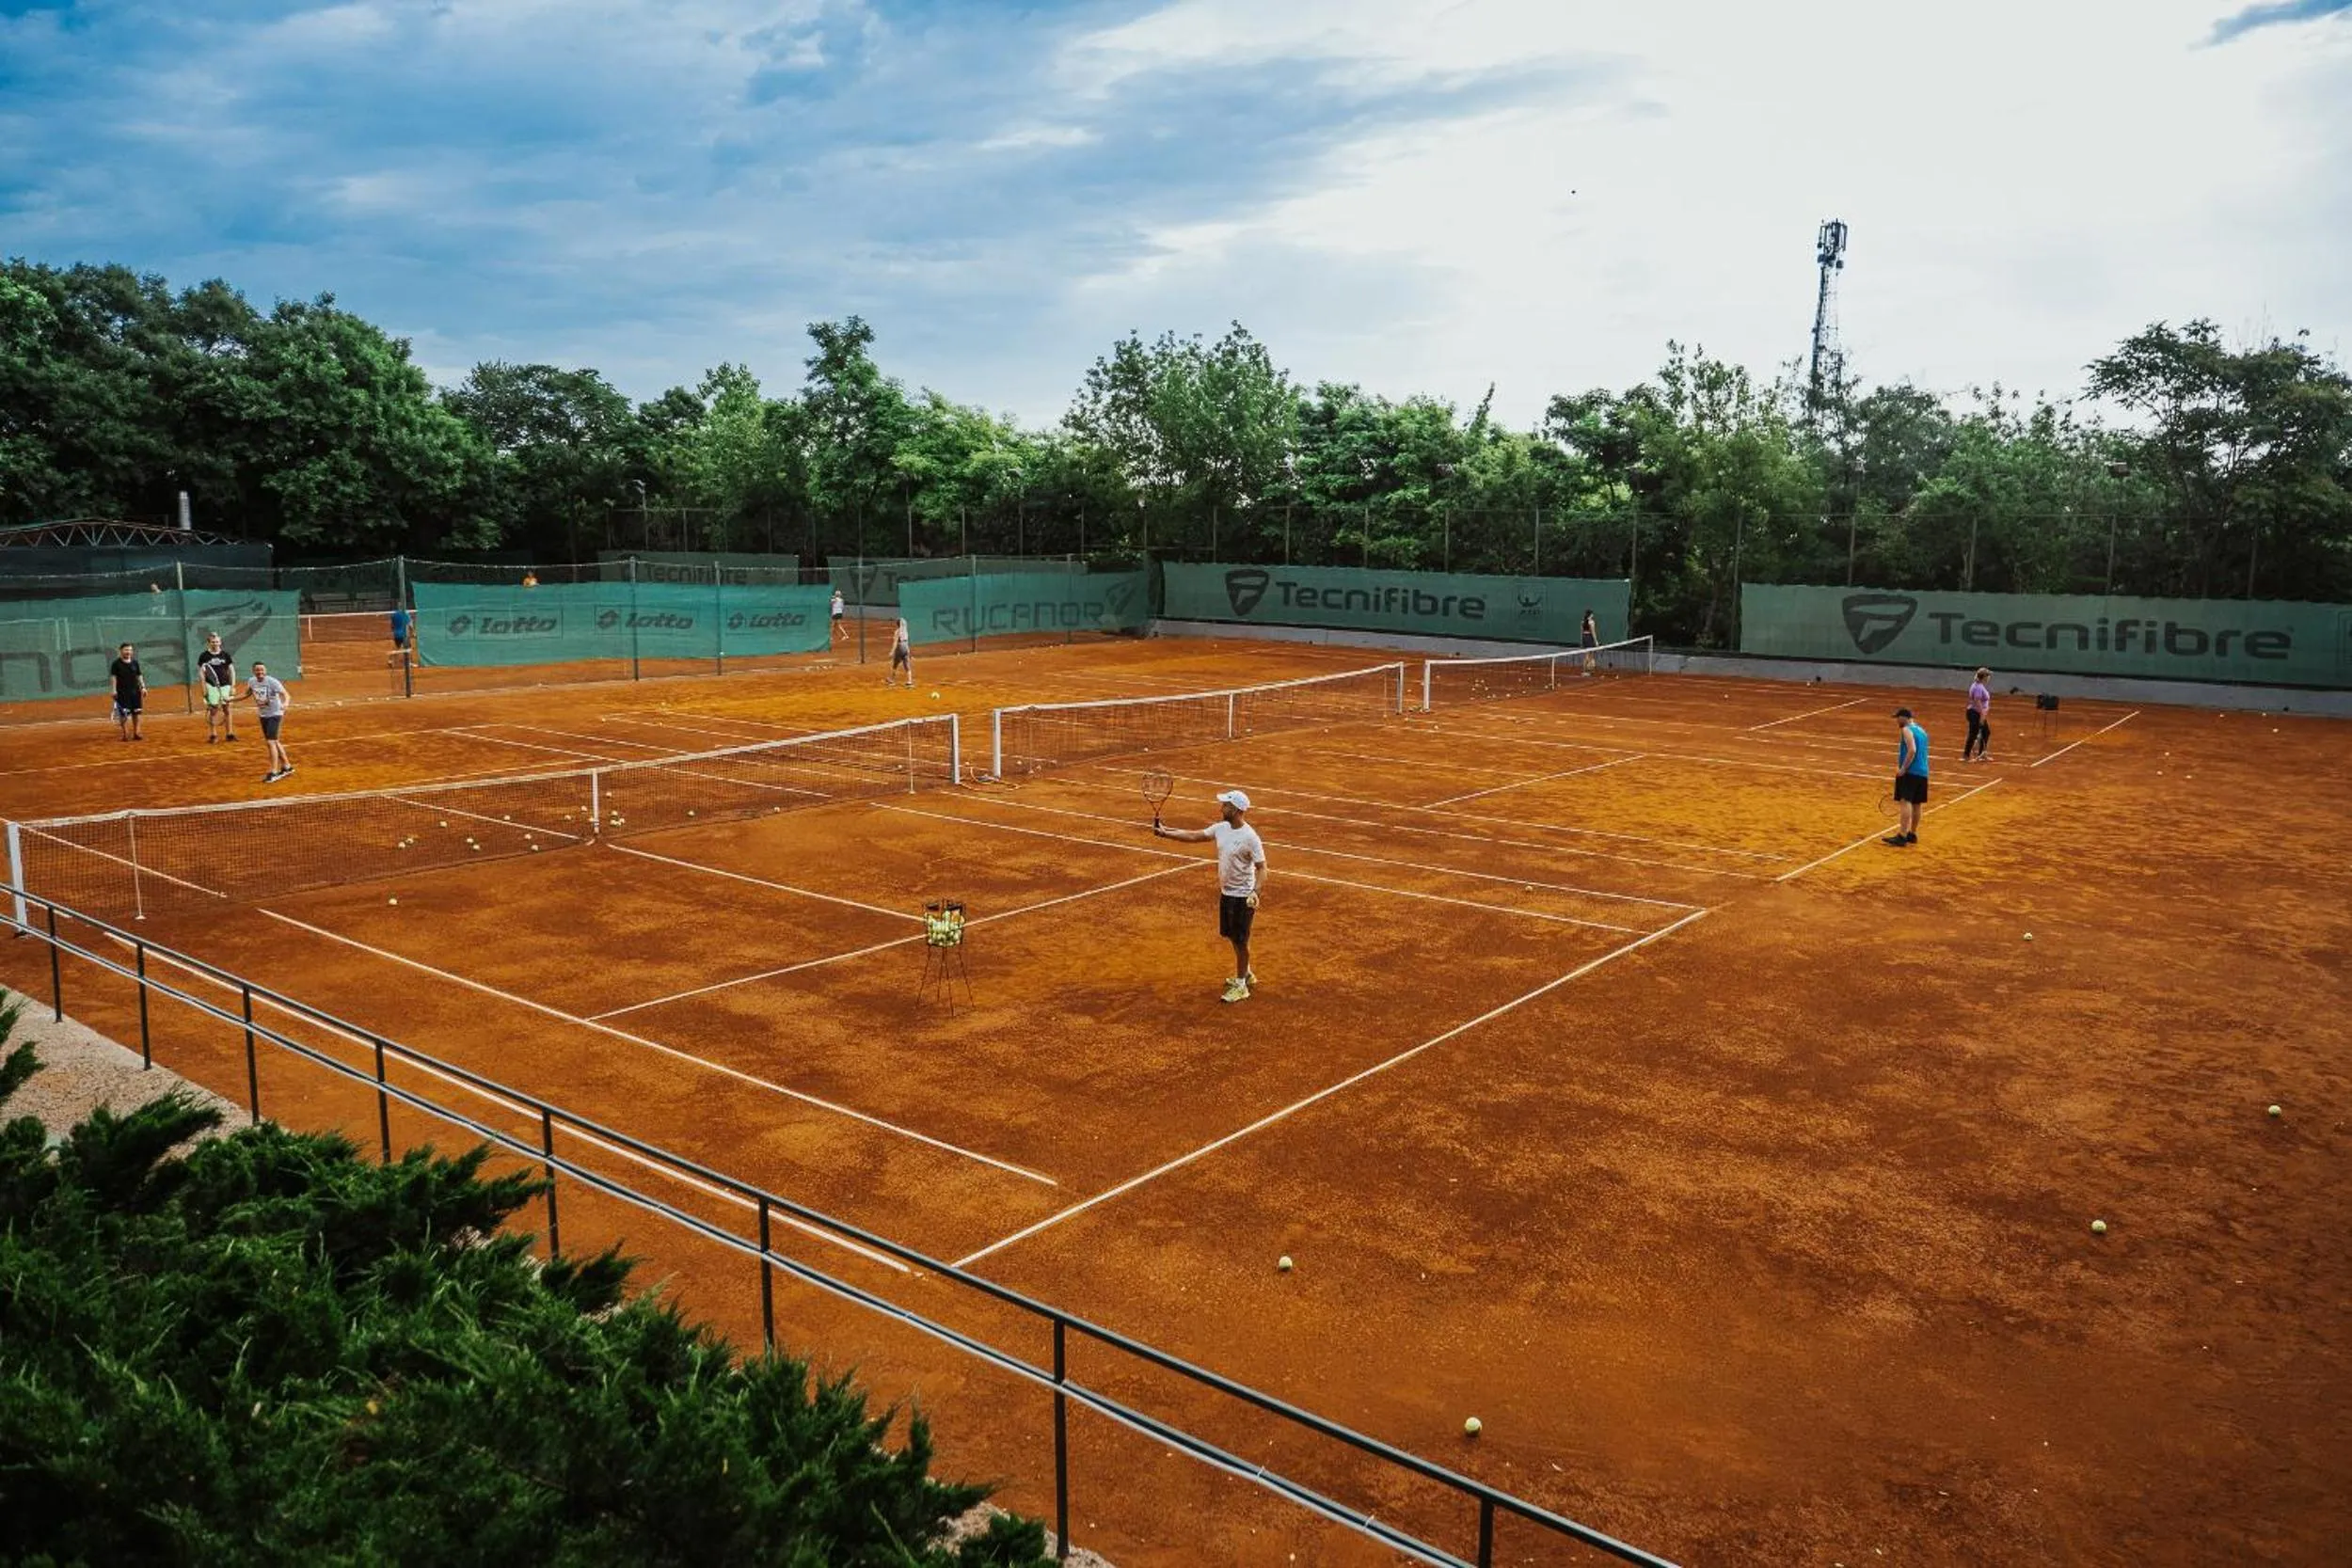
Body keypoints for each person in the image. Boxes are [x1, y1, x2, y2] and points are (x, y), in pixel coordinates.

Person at [1152, 788, 1266, 1004]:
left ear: (1236, 810)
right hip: (1227, 893)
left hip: (1243, 897)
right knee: (1233, 936)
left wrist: (1255, 892)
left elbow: (1262, 868)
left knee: (1241, 941)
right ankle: (1246, 974)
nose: (1221, 808)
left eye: (1225, 805)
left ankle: (1241, 985)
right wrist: (1166, 832)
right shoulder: (1221, 828)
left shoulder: (1250, 837)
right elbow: (1195, 835)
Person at [238, 661, 294, 782]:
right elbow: (246, 694)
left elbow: (286, 694)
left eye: (262, 670)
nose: (260, 672)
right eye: (257, 670)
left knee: (270, 742)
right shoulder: (252, 681)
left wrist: (286, 703)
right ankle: (287, 766)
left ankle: (274, 771)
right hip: (263, 715)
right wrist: (231, 699)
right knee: (274, 741)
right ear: (253, 671)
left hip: (275, 714)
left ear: (265, 671)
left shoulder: (272, 682)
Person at [1886, 707, 1929, 847]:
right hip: (1923, 772)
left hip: (1911, 772)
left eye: (1898, 718)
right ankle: (1912, 833)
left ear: (1904, 717)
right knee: (1917, 803)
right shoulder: (1922, 731)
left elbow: (1912, 750)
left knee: (1905, 801)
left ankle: (1902, 835)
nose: (1897, 721)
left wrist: (1903, 768)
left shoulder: (1906, 729)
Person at [197, 632, 238, 744]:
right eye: (213, 642)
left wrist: (233, 686)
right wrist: (204, 687)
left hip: (225, 685)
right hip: (211, 686)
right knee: (213, 710)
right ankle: (213, 735)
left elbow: (232, 671)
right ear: (209, 643)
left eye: (217, 642)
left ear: (220, 642)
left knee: (227, 709)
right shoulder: (204, 656)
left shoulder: (225, 655)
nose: (215, 643)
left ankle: (230, 734)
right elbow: (201, 673)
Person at [107, 642, 146, 741]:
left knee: (137, 713)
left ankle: (137, 733)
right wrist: (114, 690)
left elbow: (139, 675)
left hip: (135, 692)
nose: (128, 652)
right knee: (124, 714)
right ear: (120, 651)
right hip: (122, 693)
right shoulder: (116, 664)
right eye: (126, 650)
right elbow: (114, 677)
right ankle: (125, 734)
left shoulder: (135, 663)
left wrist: (143, 687)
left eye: (130, 650)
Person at [1964, 667, 1992, 763]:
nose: (1989, 678)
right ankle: (1966, 755)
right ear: (1984, 677)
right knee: (1973, 733)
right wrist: (1982, 713)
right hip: (1975, 713)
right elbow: (1977, 701)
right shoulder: (1978, 687)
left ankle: (1981, 754)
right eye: (1988, 676)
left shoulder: (1979, 685)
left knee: (1985, 732)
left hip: (1977, 713)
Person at [886, 616, 914, 688]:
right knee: (907, 665)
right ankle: (910, 681)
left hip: (900, 647)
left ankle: (892, 680)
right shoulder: (905, 631)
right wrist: (909, 652)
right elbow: (907, 642)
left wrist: (892, 651)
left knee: (895, 664)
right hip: (906, 647)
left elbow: (895, 642)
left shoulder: (897, 632)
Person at [1579, 609, 1600, 675]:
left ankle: (1587, 670)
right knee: (1590, 655)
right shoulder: (1591, 622)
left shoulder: (1582, 622)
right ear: (1590, 615)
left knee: (1588, 654)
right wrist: (1596, 641)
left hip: (1584, 637)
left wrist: (1582, 641)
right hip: (1589, 638)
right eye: (1592, 614)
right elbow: (1593, 632)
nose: (1593, 615)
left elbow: (1581, 632)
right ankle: (1588, 671)